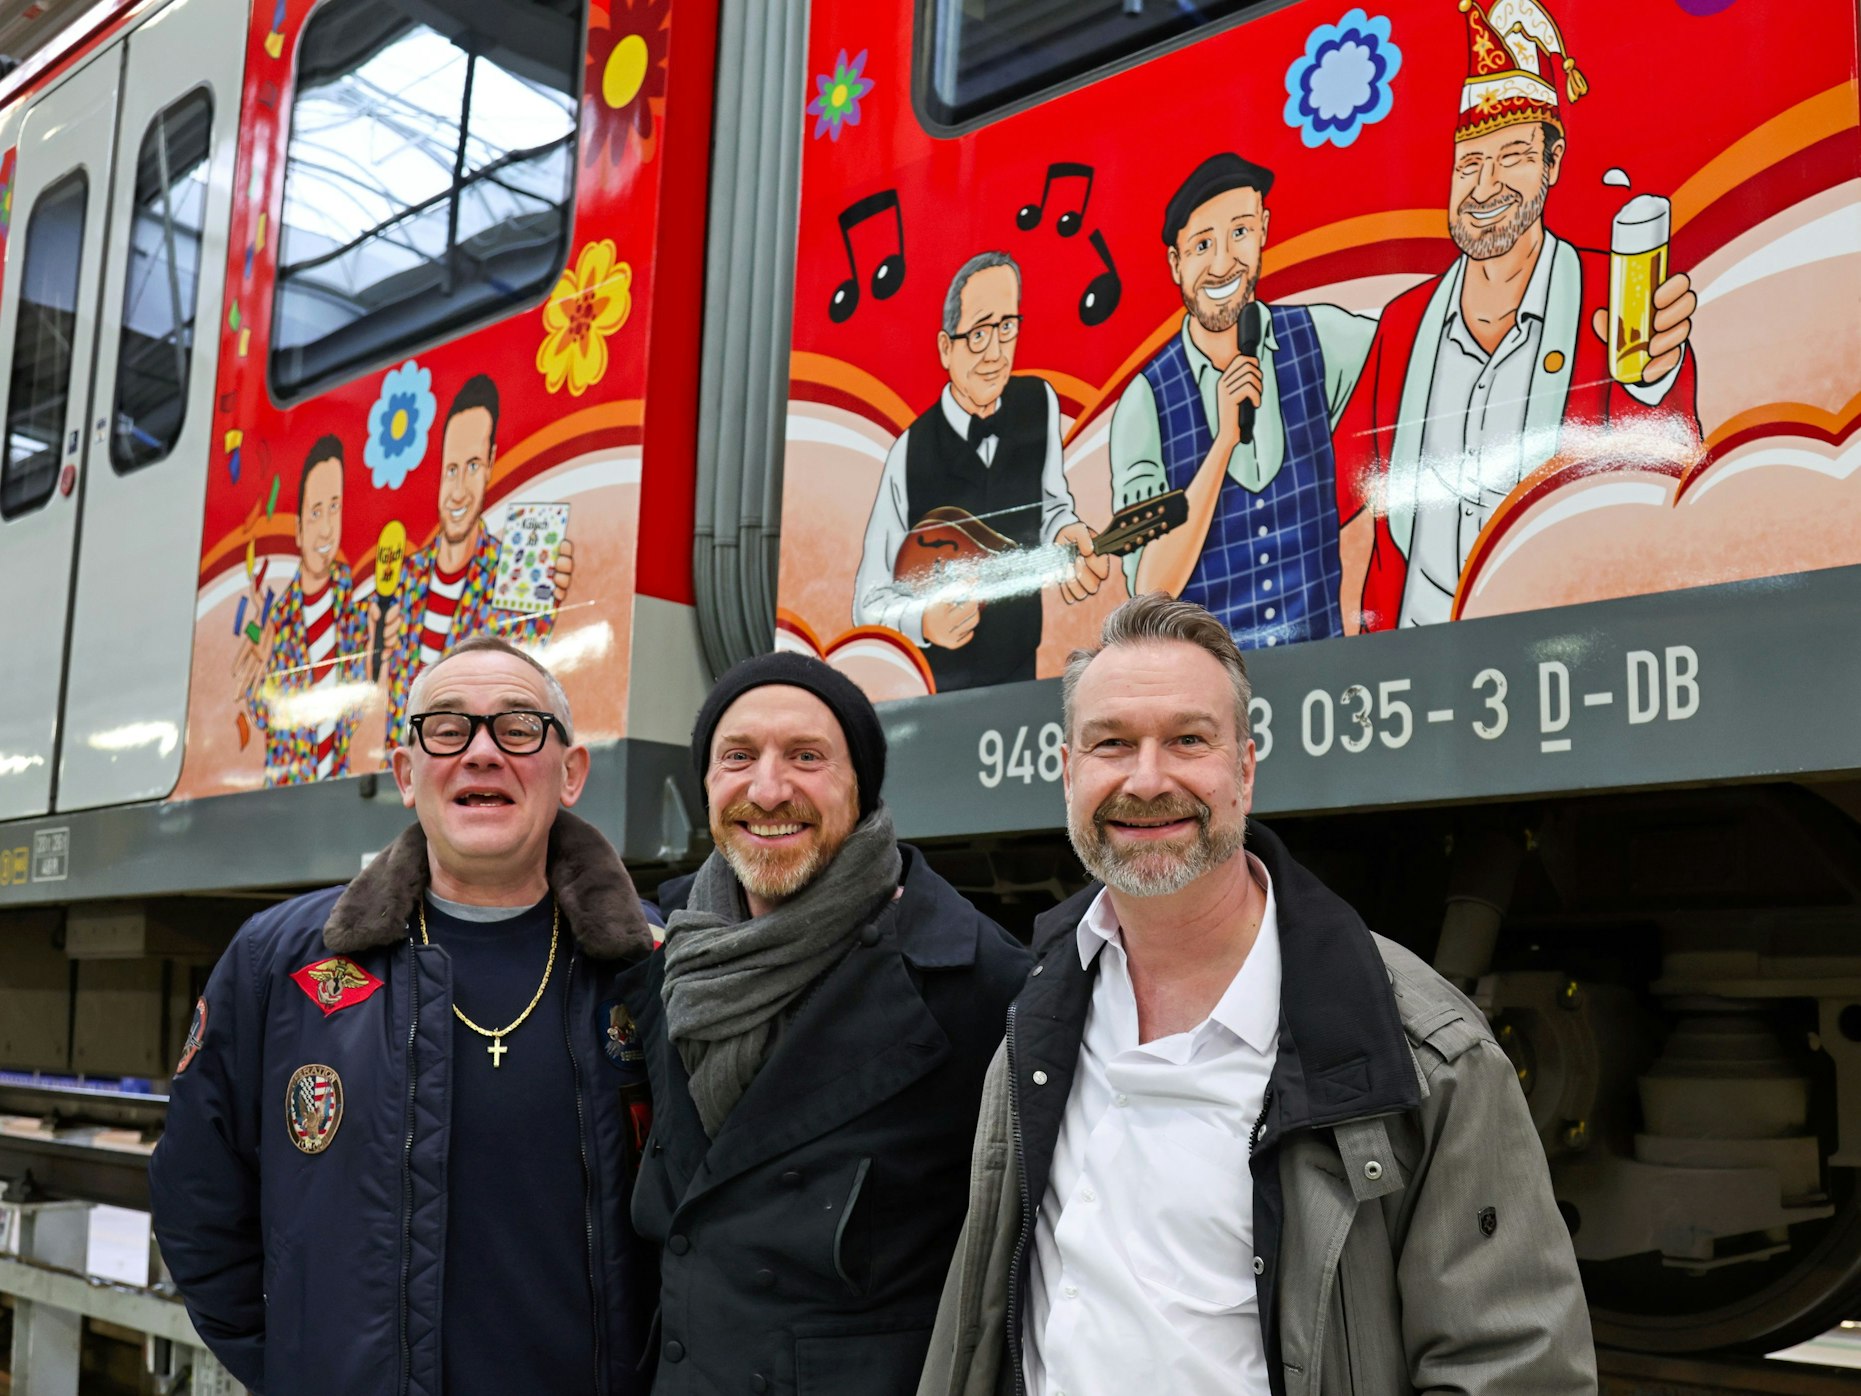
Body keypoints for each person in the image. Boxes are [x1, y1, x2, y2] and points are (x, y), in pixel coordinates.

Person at [918, 593, 1594, 1396]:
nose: (1145, 778)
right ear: (1067, 774)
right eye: (1110, 744)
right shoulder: (1038, 1018)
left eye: (1187, 740)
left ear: (1243, 767)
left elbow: (1514, 1369)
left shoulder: (1425, 1047)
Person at [151, 635, 657, 1396]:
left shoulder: (647, 967)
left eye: (518, 727)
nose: (481, 753)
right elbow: (197, 1200)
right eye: (447, 729)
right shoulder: (276, 963)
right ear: (405, 772)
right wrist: (296, 1370)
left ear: (571, 771)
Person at [614, 651, 1031, 1392]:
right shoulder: (669, 963)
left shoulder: (982, 985)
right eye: (737, 757)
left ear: (861, 788)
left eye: (806, 757)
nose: (768, 790)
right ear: (707, 783)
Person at [1337, 0, 1700, 630]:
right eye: (1469, 164)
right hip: (1413, 672)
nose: (1482, 187)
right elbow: (1343, 494)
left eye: (1511, 157)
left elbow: (1667, 488)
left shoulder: (1608, 300)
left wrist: (1653, 381)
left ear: (1553, 163)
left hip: (1568, 659)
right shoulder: (1402, 324)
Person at [1109, 154, 1374, 649]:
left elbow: (1416, 351)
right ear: (1175, 262)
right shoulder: (1144, 403)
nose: (1223, 263)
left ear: (1264, 230)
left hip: (1326, 684)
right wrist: (1224, 442)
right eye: (1203, 244)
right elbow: (1148, 589)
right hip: (1207, 709)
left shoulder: (1325, 337)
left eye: (1240, 232)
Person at [855, 252, 1107, 691]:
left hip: (1023, 675)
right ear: (945, 348)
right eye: (977, 334)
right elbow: (869, 603)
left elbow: (1049, 506)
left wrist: (1065, 530)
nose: (995, 352)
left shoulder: (1039, 403)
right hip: (940, 694)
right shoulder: (908, 452)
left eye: (1006, 327)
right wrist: (923, 622)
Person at [384, 374, 576, 745]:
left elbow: (521, 695)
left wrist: (547, 603)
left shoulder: (515, 573)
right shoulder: (408, 578)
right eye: (451, 469)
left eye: (472, 467)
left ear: (490, 463)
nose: (457, 491)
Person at [234, 435, 380, 784]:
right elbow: (263, 714)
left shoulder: (355, 602)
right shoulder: (278, 618)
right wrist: (263, 672)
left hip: (342, 785)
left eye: (335, 508)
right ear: (298, 529)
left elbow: (357, 704)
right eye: (316, 513)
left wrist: (376, 653)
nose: (327, 528)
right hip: (287, 793)